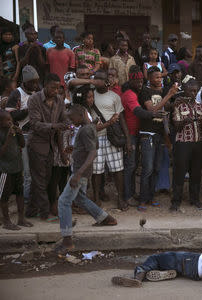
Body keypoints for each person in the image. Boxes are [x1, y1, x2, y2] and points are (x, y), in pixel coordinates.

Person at [56, 104, 117, 253]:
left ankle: (67, 240)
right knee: (79, 198)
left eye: (72, 118)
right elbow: (92, 146)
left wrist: (77, 174)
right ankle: (105, 218)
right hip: (83, 171)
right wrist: (75, 148)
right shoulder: (89, 128)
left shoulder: (85, 130)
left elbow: (93, 153)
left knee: (63, 201)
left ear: (81, 114)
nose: (71, 122)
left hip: (80, 172)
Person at [25, 73, 68, 220]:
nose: (56, 91)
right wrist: (55, 126)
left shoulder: (59, 100)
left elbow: (64, 120)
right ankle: (45, 213)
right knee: (39, 179)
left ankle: (31, 210)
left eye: (58, 88)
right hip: (36, 143)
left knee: (44, 179)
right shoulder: (34, 99)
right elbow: (35, 124)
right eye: (53, 88)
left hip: (51, 145)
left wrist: (66, 124)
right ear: (45, 85)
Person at [121, 66, 163, 205]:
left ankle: (134, 194)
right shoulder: (129, 94)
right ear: (131, 81)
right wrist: (153, 114)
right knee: (131, 166)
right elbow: (139, 112)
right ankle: (128, 196)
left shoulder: (138, 91)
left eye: (141, 81)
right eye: (137, 81)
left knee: (136, 166)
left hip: (139, 133)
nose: (140, 84)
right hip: (131, 135)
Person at [90, 70, 131, 210]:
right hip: (96, 137)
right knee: (96, 170)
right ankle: (96, 197)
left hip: (112, 137)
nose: (96, 81)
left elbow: (122, 119)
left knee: (117, 169)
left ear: (107, 82)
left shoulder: (114, 97)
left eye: (99, 79)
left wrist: (128, 140)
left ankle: (120, 198)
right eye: (95, 79)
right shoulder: (89, 95)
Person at [138, 66, 177, 210]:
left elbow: (165, 112)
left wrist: (172, 97)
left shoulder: (163, 91)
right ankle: (142, 199)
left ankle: (151, 196)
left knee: (156, 168)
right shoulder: (145, 91)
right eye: (156, 77)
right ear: (149, 78)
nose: (159, 79)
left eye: (161, 77)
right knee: (147, 168)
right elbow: (152, 111)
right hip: (148, 134)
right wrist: (168, 95)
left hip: (160, 134)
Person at [5, 65, 40, 204]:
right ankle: (26, 201)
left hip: (37, 135)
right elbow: (10, 116)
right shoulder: (16, 94)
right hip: (23, 135)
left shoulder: (37, 91)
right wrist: (27, 110)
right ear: (25, 82)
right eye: (32, 82)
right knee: (27, 172)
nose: (35, 85)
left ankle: (33, 199)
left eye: (36, 82)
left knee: (36, 170)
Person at [171, 79, 202, 211]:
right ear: (185, 91)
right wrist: (186, 120)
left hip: (197, 143)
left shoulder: (201, 106)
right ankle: (176, 201)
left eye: (195, 91)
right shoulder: (178, 105)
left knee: (196, 173)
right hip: (183, 144)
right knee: (179, 173)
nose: (193, 93)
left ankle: (195, 199)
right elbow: (176, 127)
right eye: (191, 91)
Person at [0, 110, 33, 230]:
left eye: (11, 119)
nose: (10, 122)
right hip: (6, 170)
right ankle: (6, 221)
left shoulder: (13, 130)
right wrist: (9, 137)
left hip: (17, 167)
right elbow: (1, 153)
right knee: (4, 197)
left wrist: (19, 134)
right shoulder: (3, 133)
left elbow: (22, 145)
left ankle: (21, 218)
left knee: (20, 193)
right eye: (7, 120)